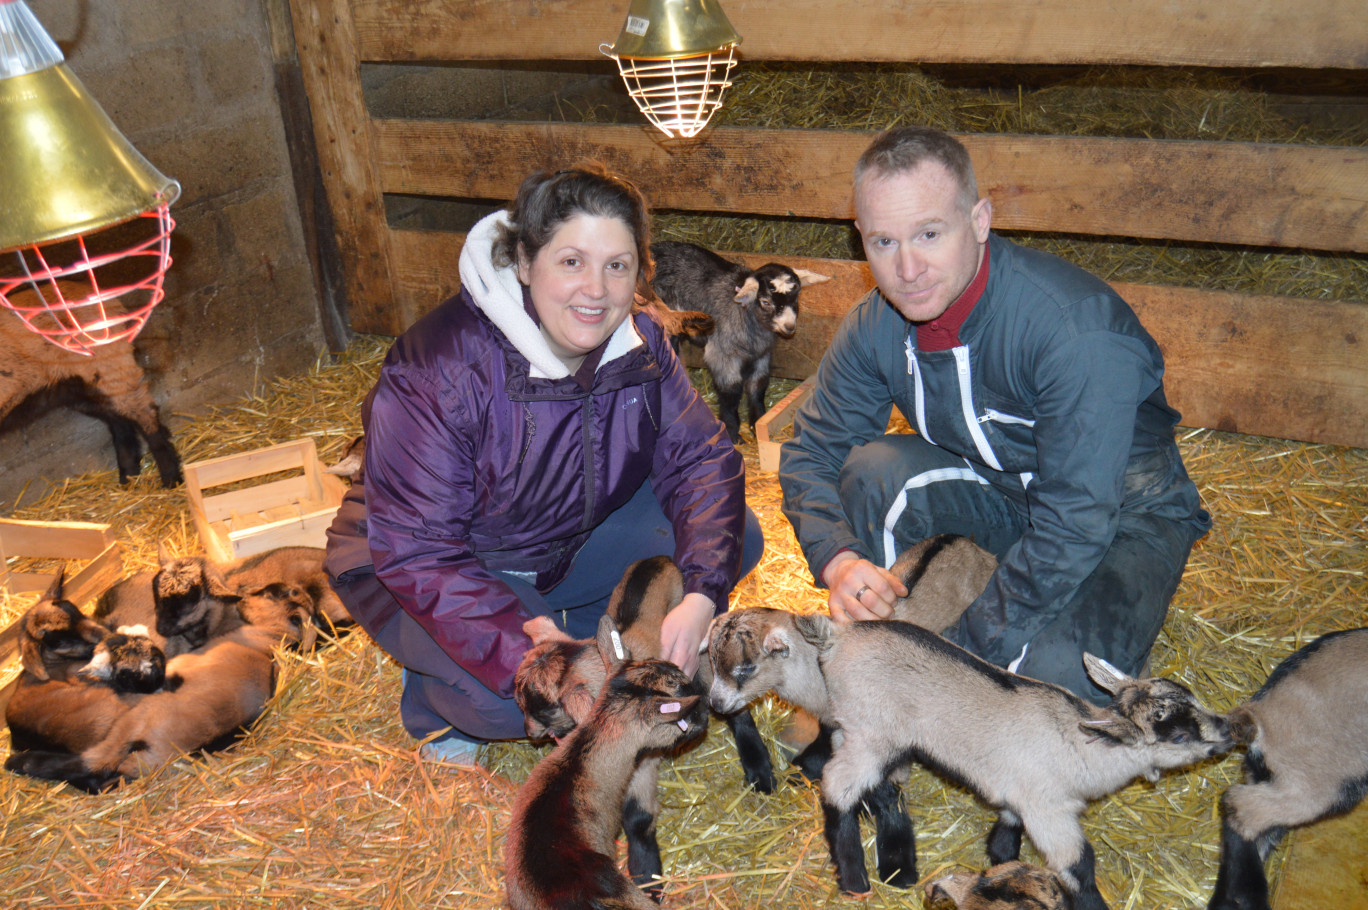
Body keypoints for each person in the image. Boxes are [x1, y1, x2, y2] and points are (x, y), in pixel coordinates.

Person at [324, 164, 763, 764]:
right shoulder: (441, 367)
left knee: (733, 541)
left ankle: (580, 634)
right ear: (526, 263)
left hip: (566, 544)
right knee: (519, 701)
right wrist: (537, 660)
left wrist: (701, 598)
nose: (597, 289)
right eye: (571, 262)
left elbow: (702, 463)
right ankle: (434, 697)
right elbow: (421, 551)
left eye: (618, 265)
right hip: (442, 561)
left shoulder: (640, 342)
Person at [779, 126, 1210, 703]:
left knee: (1058, 679)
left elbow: (1077, 521)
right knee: (872, 471)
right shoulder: (875, 324)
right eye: (883, 242)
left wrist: (958, 653)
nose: (907, 268)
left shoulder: (1073, 331)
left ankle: (940, 653)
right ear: (861, 239)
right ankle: (875, 651)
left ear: (980, 221)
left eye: (929, 234)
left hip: (1122, 519)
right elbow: (810, 450)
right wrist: (837, 559)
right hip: (1001, 492)